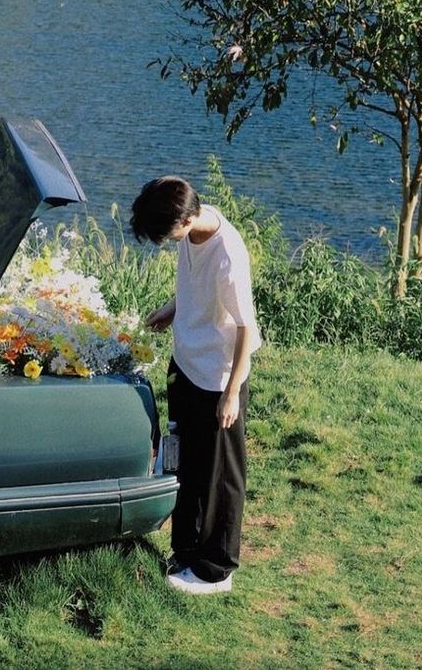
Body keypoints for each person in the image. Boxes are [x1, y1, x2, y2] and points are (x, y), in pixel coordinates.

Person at [130, 176, 261, 595]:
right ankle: (185, 551)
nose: (168, 242)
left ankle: (215, 570)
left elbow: (247, 329)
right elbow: (198, 289)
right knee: (185, 462)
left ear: (186, 219)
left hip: (217, 378)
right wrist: (173, 308)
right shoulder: (193, 230)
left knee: (219, 476)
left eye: (167, 234)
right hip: (187, 363)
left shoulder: (228, 255)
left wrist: (231, 394)